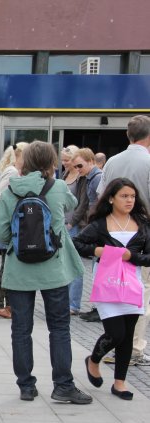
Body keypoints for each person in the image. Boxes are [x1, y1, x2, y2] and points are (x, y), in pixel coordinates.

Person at [0, 141, 92, 404]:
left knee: (21, 330)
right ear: (52, 163)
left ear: (24, 162)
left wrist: (19, 240)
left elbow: (0, 233)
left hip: (19, 270)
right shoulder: (57, 186)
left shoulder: (11, 189)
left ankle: (26, 386)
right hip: (53, 269)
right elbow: (72, 204)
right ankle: (63, 386)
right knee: (59, 328)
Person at [74, 178, 150, 401]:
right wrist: (97, 251)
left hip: (132, 286)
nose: (129, 200)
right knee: (116, 334)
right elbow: (77, 243)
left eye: (132, 196)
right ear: (111, 199)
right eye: (124, 196)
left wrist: (131, 256)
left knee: (128, 336)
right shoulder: (99, 224)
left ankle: (120, 383)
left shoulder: (142, 224)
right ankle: (93, 360)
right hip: (107, 285)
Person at [96, 115, 150, 366]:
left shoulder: (112, 161)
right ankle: (134, 347)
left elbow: (100, 195)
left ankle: (116, 341)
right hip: (142, 233)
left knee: (115, 288)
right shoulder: (148, 161)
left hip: (113, 232)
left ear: (129, 135)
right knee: (142, 290)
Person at [0, 143, 28, 319]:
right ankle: (1, 305)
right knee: (7, 267)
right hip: (8, 227)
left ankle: (7, 305)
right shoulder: (12, 172)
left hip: (10, 226)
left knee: (8, 266)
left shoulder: (16, 171)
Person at [71, 148, 104, 322]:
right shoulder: (89, 178)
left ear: (91, 161)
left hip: (97, 226)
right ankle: (97, 307)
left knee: (98, 267)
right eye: (75, 166)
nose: (78, 169)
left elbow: (98, 203)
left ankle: (99, 308)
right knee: (96, 267)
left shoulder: (97, 177)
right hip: (94, 225)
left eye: (80, 165)